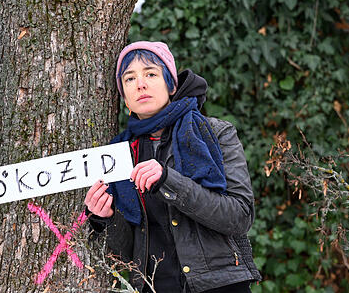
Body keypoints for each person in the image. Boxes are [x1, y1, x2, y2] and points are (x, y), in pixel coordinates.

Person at [84, 41, 261, 292]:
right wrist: (107, 218)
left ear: (172, 84)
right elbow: (126, 255)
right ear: (124, 99)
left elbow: (240, 216)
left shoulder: (216, 133)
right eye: (129, 79)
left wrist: (168, 181)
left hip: (219, 285)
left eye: (151, 74)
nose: (141, 84)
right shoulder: (119, 154)